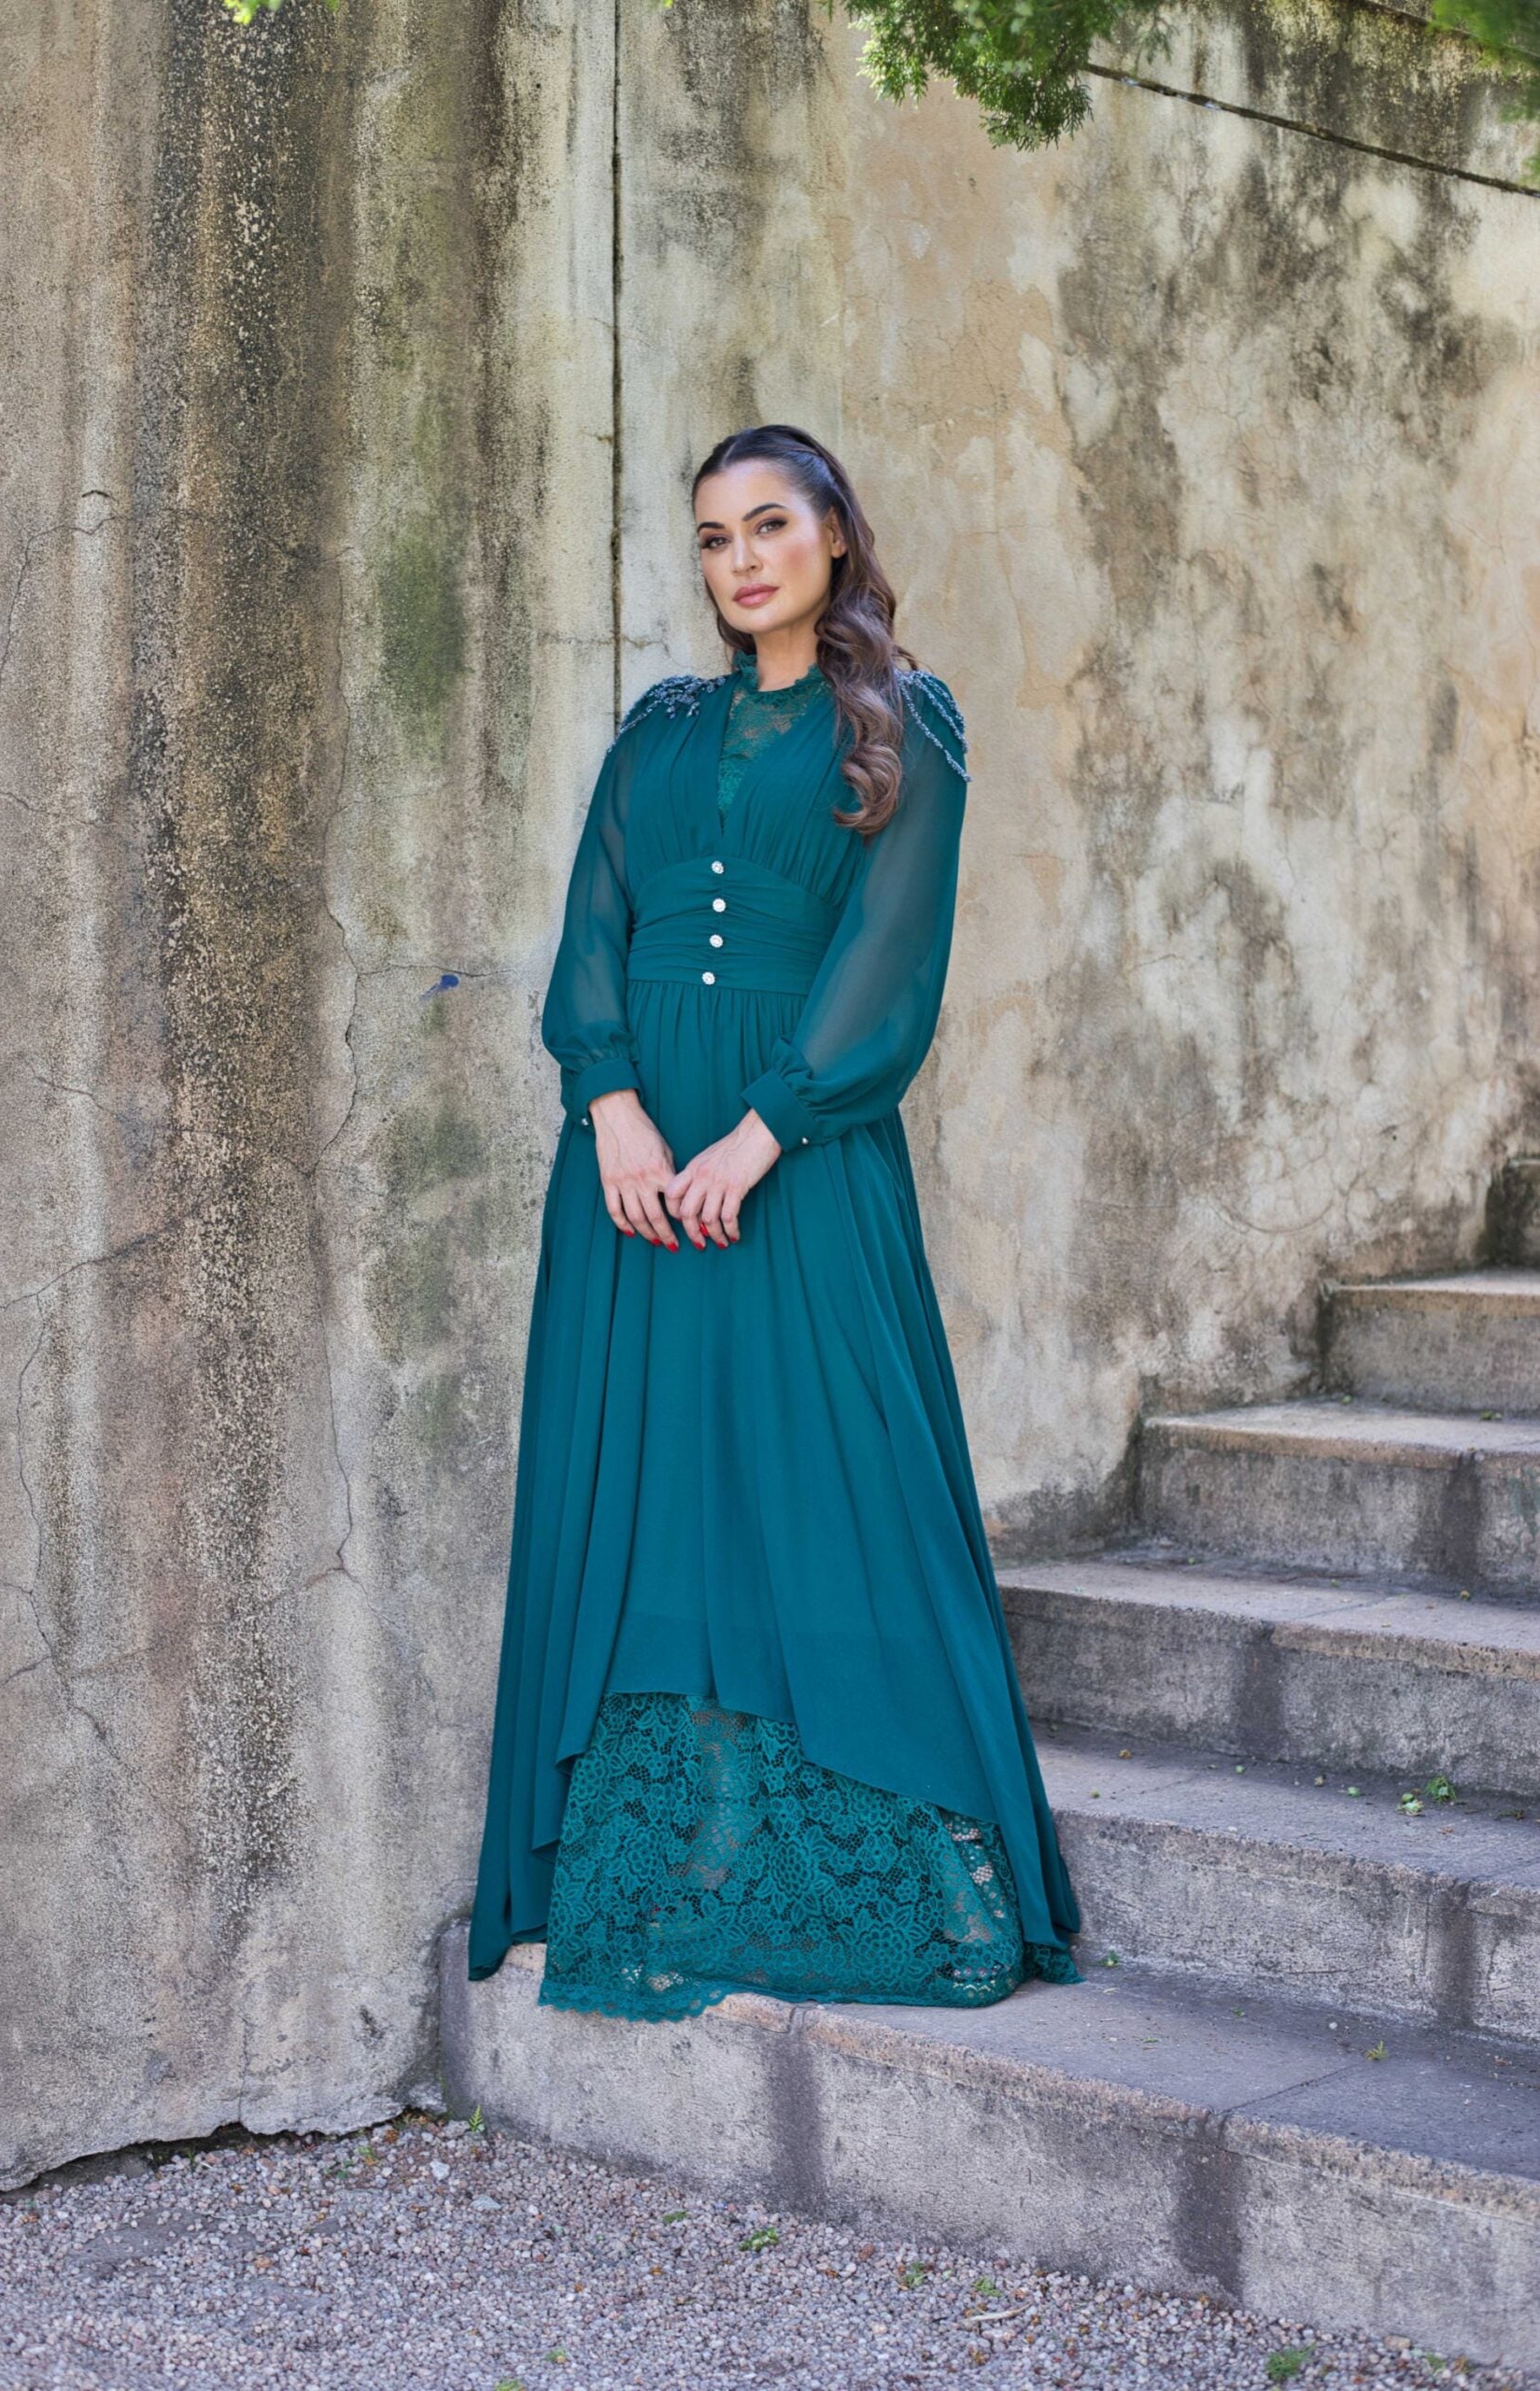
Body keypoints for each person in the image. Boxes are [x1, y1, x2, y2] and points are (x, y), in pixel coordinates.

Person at [466, 423, 1082, 2020]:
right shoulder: (658, 730)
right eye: (716, 540)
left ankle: (887, 1874)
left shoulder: (906, 725)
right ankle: (672, 1865)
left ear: (831, 536)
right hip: (629, 1170)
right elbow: (594, 922)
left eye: (770, 526)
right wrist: (610, 1104)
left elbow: (893, 955)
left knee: (833, 1484)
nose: (744, 561)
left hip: (797, 1156)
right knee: (656, 1487)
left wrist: (761, 1131)